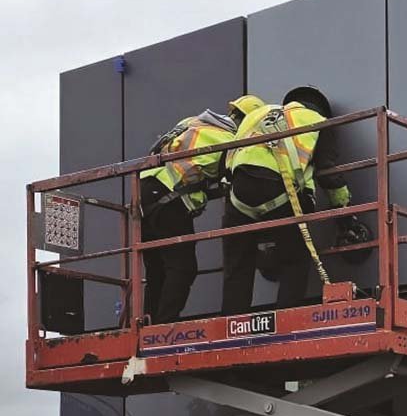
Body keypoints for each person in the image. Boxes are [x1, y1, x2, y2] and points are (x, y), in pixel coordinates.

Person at [220, 86, 370, 314]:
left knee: (238, 266)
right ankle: (286, 317)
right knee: (295, 259)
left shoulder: (256, 115)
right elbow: (328, 173)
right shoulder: (318, 122)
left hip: (238, 197)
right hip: (281, 195)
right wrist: (344, 213)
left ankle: (231, 323)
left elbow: (226, 162)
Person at [139, 105, 249, 323]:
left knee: (157, 269)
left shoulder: (193, 122)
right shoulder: (232, 141)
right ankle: (165, 323)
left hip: (143, 190)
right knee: (183, 267)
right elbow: (232, 178)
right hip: (169, 196)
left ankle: (148, 324)